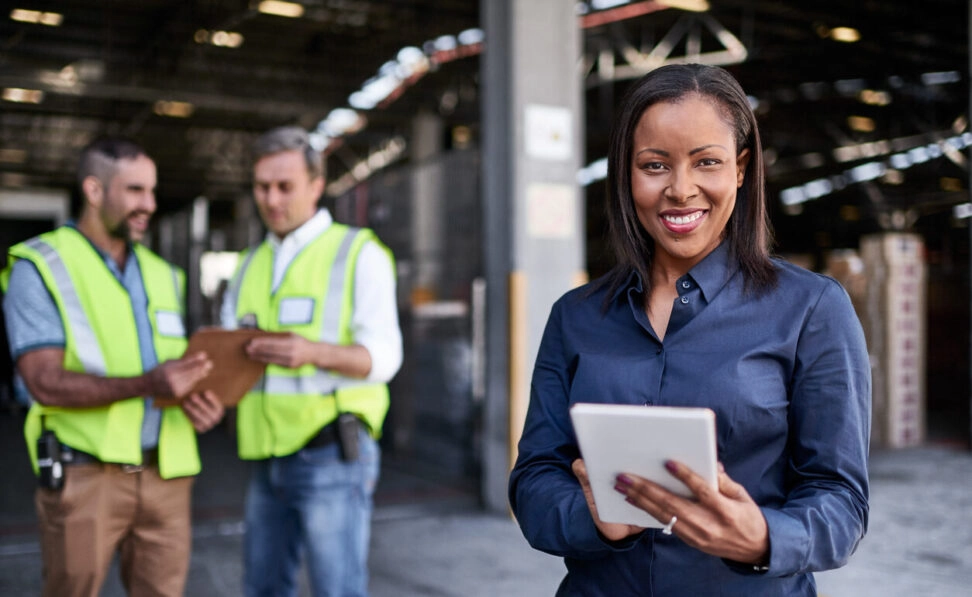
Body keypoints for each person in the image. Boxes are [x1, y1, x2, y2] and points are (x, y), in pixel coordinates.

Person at [508, 64, 871, 596]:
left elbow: (840, 499)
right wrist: (593, 521)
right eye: (655, 165)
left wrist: (765, 536)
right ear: (626, 173)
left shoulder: (811, 310)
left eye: (707, 162)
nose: (681, 190)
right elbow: (536, 476)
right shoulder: (577, 317)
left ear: (741, 169)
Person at [1, 136, 226, 597]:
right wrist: (149, 383)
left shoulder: (165, 275)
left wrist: (203, 402)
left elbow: (176, 373)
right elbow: (43, 382)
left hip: (167, 475)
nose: (150, 204)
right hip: (86, 478)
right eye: (135, 191)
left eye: (152, 191)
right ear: (95, 190)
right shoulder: (40, 265)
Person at [220, 126, 403, 597]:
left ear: (316, 185)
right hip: (265, 456)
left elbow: (384, 358)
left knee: (337, 589)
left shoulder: (358, 254)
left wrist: (310, 353)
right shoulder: (247, 266)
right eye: (262, 186)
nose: (271, 199)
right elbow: (228, 358)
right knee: (262, 587)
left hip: (332, 455)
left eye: (285, 186)